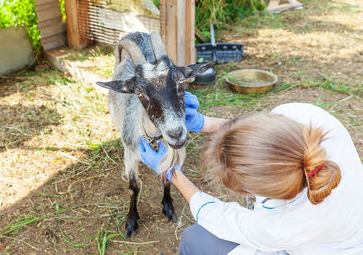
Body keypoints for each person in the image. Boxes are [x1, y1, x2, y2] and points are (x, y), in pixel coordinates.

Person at [138, 92, 363, 255]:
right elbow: (263, 131)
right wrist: (204, 123)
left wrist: (171, 172)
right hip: (340, 230)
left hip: (317, 250)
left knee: (195, 239)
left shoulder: (275, 226)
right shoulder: (308, 117)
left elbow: (219, 216)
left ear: (252, 193)